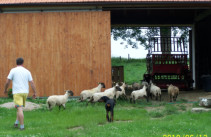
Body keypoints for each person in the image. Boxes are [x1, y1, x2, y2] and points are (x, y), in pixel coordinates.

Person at [4, 57, 37, 130]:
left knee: (19, 109)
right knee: (20, 108)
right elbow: (32, 82)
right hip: (25, 92)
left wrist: (5, 89)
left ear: (16, 63)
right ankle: (16, 123)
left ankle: (22, 127)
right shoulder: (27, 71)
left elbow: (7, 81)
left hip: (17, 92)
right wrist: (35, 92)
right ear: (23, 63)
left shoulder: (13, 70)